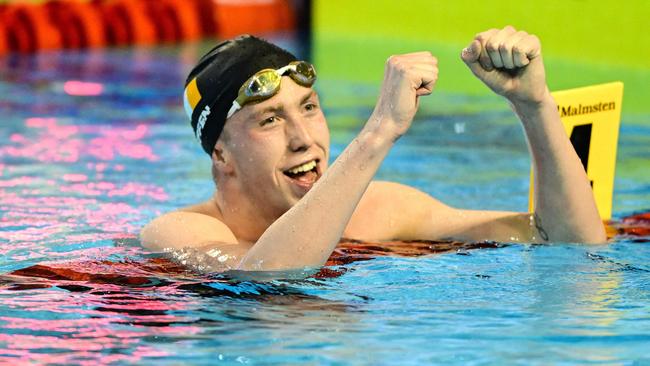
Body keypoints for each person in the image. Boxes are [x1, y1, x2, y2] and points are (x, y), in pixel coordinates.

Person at [140, 26, 606, 272]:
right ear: (220, 154)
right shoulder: (179, 233)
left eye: (308, 107)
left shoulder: (378, 209)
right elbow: (265, 276)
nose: (304, 137)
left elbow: (566, 243)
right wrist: (380, 130)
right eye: (270, 119)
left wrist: (535, 106)